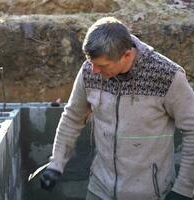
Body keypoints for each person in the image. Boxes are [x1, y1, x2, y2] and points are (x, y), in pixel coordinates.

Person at [40, 17, 194, 200]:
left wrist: (184, 189)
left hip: (150, 194)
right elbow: (73, 117)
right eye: (91, 63)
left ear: (127, 55)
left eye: (102, 66)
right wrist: (56, 164)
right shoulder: (90, 71)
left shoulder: (167, 77)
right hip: (99, 190)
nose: (94, 71)